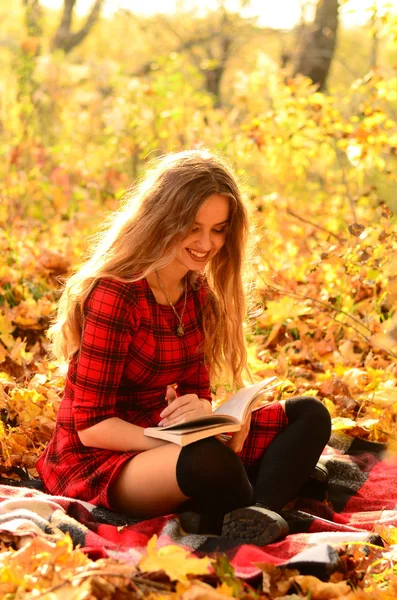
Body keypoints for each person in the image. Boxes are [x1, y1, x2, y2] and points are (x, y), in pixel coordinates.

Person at [36, 149, 331, 546]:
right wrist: (179, 439)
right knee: (209, 462)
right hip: (105, 458)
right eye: (193, 227)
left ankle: (256, 512)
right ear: (163, 220)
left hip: (174, 442)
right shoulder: (116, 293)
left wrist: (212, 416)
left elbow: (198, 393)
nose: (206, 243)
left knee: (309, 415)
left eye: (219, 229)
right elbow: (92, 428)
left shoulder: (196, 292)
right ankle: (262, 495)